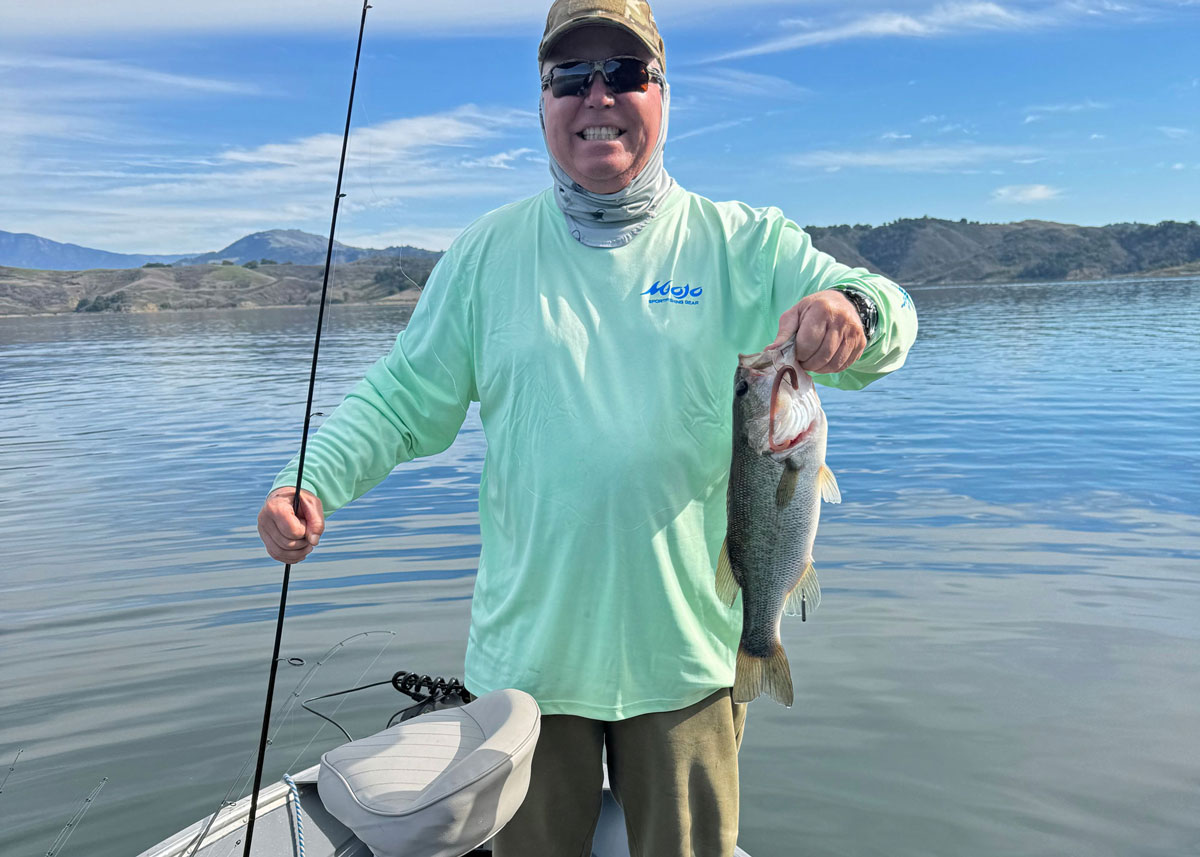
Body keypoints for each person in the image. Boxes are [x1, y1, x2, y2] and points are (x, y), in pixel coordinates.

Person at [257, 0, 918, 854]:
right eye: (570, 76)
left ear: (663, 93)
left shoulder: (742, 244)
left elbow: (891, 319)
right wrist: (310, 479)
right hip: (529, 668)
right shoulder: (487, 255)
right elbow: (399, 398)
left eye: (626, 72)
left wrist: (854, 307)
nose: (597, 95)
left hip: (688, 659)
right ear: (542, 102)